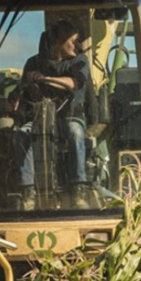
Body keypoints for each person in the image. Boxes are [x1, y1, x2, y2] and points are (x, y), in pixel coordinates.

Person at [16, 17, 93, 209]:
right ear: (58, 41)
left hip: (70, 116)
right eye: (72, 41)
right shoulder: (33, 63)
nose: (77, 45)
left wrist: (46, 79)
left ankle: (78, 189)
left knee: (75, 132)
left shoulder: (79, 61)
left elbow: (75, 83)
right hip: (38, 118)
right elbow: (21, 91)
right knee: (21, 135)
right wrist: (30, 80)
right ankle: (28, 191)